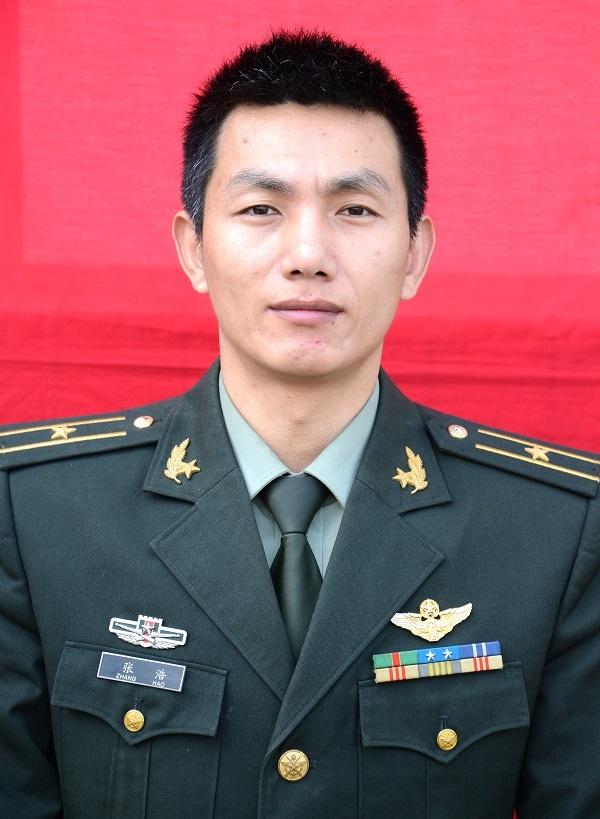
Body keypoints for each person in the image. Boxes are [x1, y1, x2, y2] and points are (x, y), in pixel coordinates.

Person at [1, 30, 599, 819]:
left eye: (355, 209)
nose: (308, 253)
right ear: (193, 249)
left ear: (414, 253)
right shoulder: (37, 515)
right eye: (261, 208)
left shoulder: (553, 531)